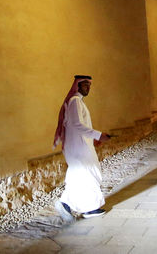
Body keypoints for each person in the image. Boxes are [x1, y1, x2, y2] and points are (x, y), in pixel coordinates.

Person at [53, 74, 110, 218]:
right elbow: (77, 125)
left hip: (79, 145)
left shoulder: (78, 101)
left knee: (80, 175)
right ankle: (88, 208)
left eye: (89, 85)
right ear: (77, 86)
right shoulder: (75, 101)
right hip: (78, 147)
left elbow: (79, 126)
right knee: (89, 173)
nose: (87, 88)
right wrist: (98, 135)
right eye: (85, 85)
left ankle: (67, 203)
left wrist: (93, 138)